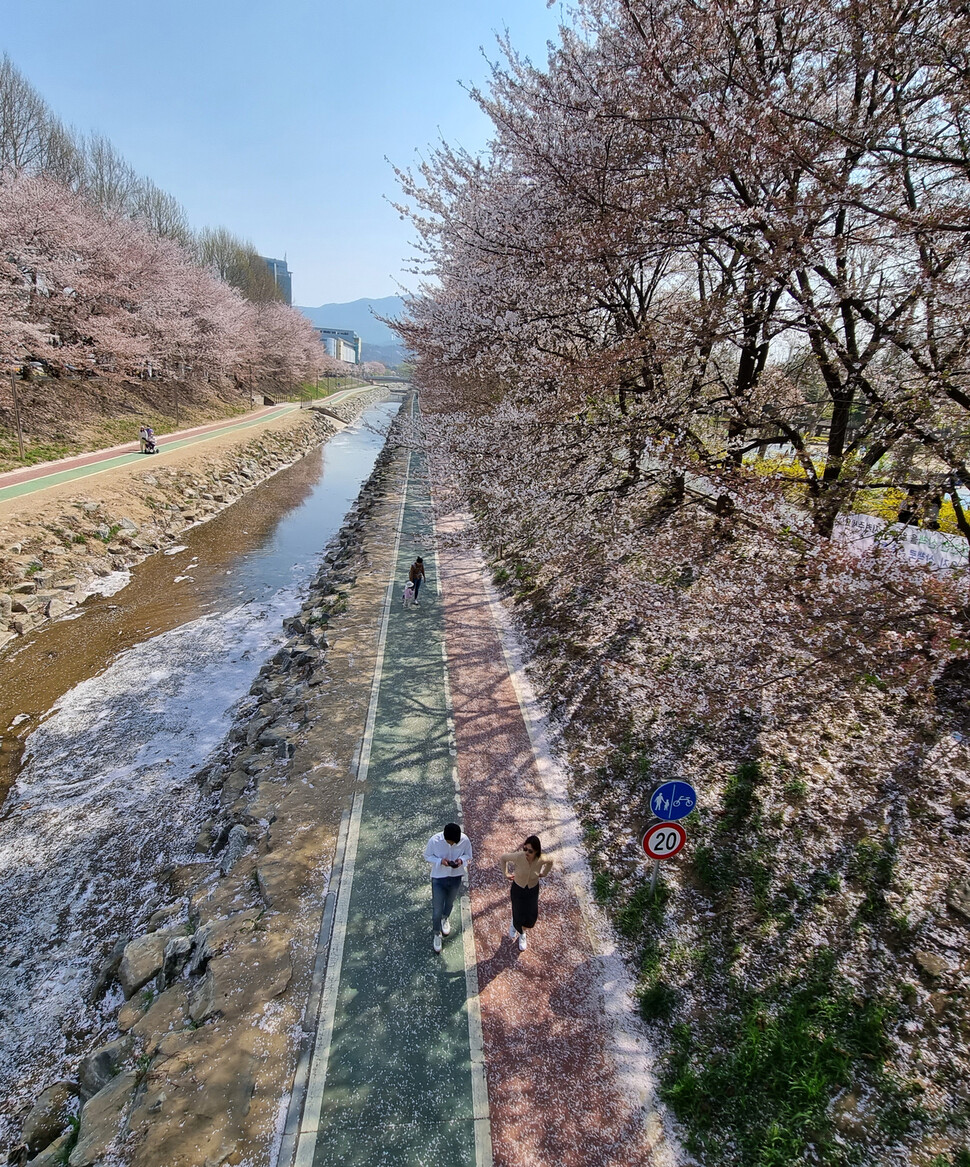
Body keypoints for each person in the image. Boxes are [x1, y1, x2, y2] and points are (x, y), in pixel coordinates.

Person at [424, 822, 472, 953]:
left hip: (456, 877)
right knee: (436, 909)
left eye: (454, 844)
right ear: (444, 838)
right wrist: (441, 861)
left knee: (449, 903)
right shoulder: (435, 840)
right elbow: (427, 856)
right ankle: (436, 933)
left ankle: (445, 918)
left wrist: (461, 860)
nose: (451, 845)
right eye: (449, 842)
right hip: (438, 878)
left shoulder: (464, 840)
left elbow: (469, 855)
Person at [500, 835, 553, 951]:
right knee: (518, 911)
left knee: (531, 915)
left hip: (533, 890)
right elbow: (503, 858)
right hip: (518, 889)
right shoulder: (519, 856)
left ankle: (518, 924)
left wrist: (544, 873)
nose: (526, 853)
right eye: (525, 849)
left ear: (536, 851)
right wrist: (506, 874)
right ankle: (521, 932)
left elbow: (551, 861)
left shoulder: (541, 859)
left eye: (530, 851)